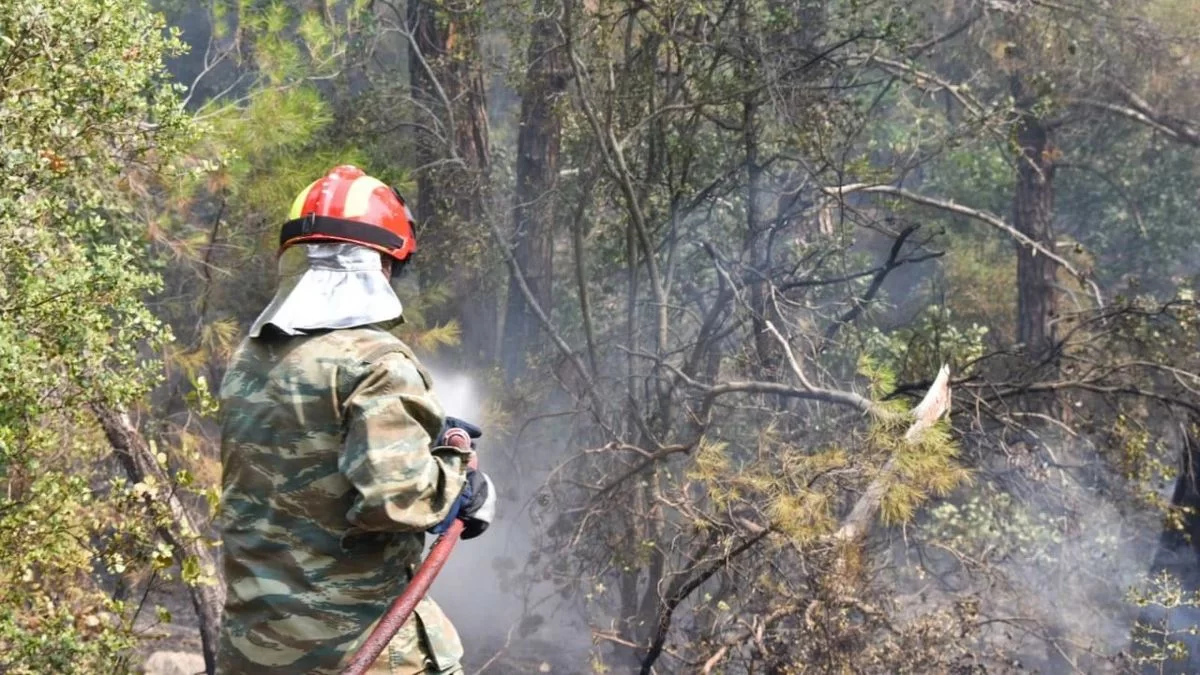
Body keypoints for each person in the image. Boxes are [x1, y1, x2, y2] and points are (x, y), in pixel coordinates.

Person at [216, 165, 495, 674]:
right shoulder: (377, 362)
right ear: (380, 265)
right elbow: (399, 501)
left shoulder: (250, 360)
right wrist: (457, 471)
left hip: (254, 652)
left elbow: (303, 451)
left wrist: (409, 433)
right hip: (361, 654)